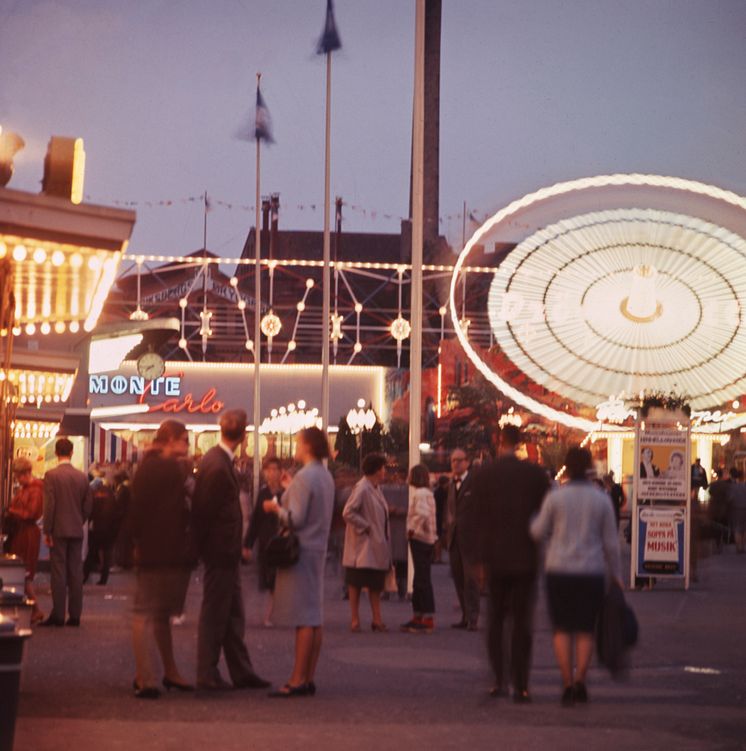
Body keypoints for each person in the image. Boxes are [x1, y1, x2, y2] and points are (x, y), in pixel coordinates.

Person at [530, 446, 622, 707]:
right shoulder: (601, 498)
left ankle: (567, 682)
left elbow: (537, 531)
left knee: (561, 628)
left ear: (567, 468)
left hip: (558, 570)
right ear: (590, 467)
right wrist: (616, 575)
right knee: (584, 629)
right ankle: (581, 679)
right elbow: (611, 544)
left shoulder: (555, 498)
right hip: (591, 571)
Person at [191, 409, 270, 693]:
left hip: (224, 551)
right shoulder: (218, 464)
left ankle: (241, 671)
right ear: (244, 434)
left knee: (233, 613)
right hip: (219, 551)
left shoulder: (218, 461)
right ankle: (207, 672)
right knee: (216, 612)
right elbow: (204, 511)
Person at [472, 425, 549, 702]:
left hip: (495, 559)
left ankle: (498, 679)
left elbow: (476, 519)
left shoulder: (485, 475)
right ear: (519, 443)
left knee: (495, 621)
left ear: (499, 441)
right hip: (526, 558)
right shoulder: (535, 475)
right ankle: (522, 683)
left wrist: (479, 560)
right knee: (521, 623)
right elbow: (545, 516)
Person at [262, 427, 335, 697]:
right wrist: (290, 488)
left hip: (301, 550)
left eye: (297, 442)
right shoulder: (325, 476)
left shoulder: (306, 477)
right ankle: (308, 676)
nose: (295, 446)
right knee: (314, 616)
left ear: (306, 446)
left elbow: (295, 518)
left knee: (304, 617)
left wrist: (275, 508)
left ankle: (297, 679)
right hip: (318, 548)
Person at [129, 420, 194, 699]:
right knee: (146, 614)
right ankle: (147, 677)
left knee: (156, 614)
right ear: (170, 440)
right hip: (162, 551)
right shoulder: (167, 469)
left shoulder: (148, 467)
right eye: (184, 440)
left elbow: (138, 510)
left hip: (154, 550)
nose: (187, 446)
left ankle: (163, 672)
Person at [41, 437, 92, 627]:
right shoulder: (81, 477)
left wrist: (47, 530)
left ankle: (58, 614)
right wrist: (79, 520)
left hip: (58, 530)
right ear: (71, 453)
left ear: (56, 453)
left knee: (58, 572)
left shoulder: (51, 475)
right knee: (75, 572)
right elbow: (88, 505)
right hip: (76, 529)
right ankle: (75, 615)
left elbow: (50, 506)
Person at [342, 453, 391, 632]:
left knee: (374, 583)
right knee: (356, 581)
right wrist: (366, 526)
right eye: (383, 468)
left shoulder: (375, 487)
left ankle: (376, 618)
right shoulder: (362, 488)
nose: (385, 471)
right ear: (377, 470)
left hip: (373, 544)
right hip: (362, 545)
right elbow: (348, 512)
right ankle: (355, 619)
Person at [242, 456, 282, 627]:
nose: (272, 473)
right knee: (269, 579)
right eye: (269, 470)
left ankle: (270, 614)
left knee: (279, 579)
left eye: (275, 470)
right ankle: (271, 613)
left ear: (281, 472)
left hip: (283, 541)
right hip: (266, 542)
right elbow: (256, 520)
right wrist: (247, 544)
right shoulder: (263, 493)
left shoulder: (287, 492)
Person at [6, 457, 45, 624]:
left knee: (24, 571)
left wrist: (11, 510)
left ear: (25, 473)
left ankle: (36, 609)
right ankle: (32, 609)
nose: (16, 479)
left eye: (17, 476)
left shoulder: (35, 490)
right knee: (22, 571)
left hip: (27, 533)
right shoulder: (27, 488)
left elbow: (31, 513)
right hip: (22, 532)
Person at [446, 448, 480, 630]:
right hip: (454, 538)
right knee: (458, 578)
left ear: (467, 462)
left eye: (459, 460)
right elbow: (450, 510)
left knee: (471, 580)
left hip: (471, 538)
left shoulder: (474, 482)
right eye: (453, 461)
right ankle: (465, 616)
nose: (456, 464)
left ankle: (473, 617)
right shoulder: (452, 483)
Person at [401, 464, 437, 634]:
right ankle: (420, 615)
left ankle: (426, 617)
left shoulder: (420, 494)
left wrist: (411, 530)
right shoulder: (428, 493)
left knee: (422, 578)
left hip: (420, 538)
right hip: (428, 539)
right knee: (421, 577)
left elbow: (421, 514)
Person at [84, 469, 123, 586]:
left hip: (97, 528)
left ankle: (85, 576)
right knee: (107, 555)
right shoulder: (111, 494)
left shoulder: (94, 493)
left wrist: (89, 521)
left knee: (91, 553)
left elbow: (91, 510)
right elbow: (116, 512)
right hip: (108, 529)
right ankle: (103, 579)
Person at [729, 468, 746, 554]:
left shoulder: (733, 487)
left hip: (736, 509)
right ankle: (743, 546)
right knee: (744, 529)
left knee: (737, 528)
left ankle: (738, 547)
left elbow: (730, 498)